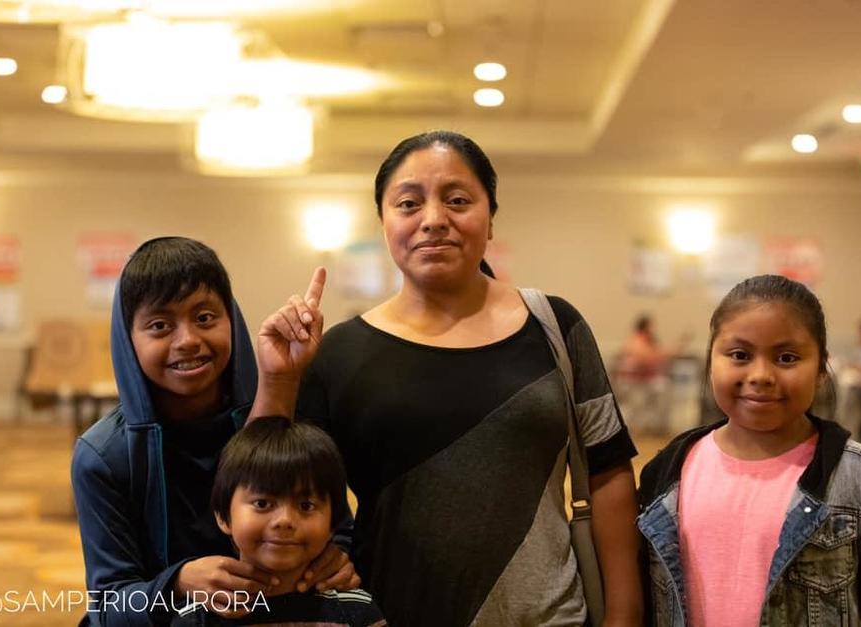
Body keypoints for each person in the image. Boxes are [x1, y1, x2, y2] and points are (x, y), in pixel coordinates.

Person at [251, 131, 644, 626]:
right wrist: (278, 378)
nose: (434, 220)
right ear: (384, 222)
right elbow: (264, 487)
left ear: (491, 217)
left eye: (458, 200)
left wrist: (624, 616)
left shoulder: (555, 326)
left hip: (547, 617)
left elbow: (609, 473)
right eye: (408, 203)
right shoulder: (340, 352)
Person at [71, 237, 355, 626]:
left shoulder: (287, 409)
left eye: (205, 318)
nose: (187, 341)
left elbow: (337, 526)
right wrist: (177, 583)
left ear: (232, 320)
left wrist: (336, 556)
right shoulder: (104, 455)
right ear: (128, 339)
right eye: (159, 325)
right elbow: (109, 608)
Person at [637, 274, 861, 626]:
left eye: (786, 357)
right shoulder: (665, 474)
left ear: (821, 368)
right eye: (739, 354)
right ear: (711, 359)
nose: (761, 374)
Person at [171, 417, 385, 626]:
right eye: (262, 503)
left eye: (306, 506)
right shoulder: (197, 617)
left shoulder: (357, 611)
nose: (284, 521)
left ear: (333, 523)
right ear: (223, 516)